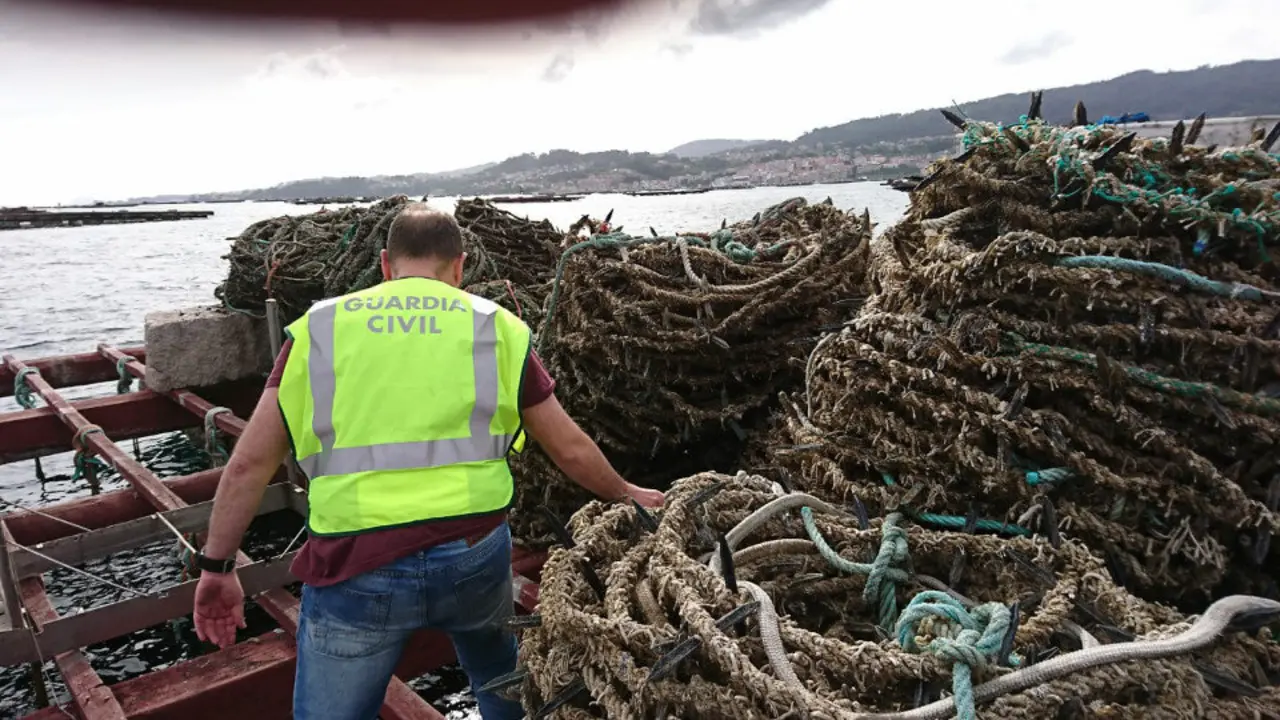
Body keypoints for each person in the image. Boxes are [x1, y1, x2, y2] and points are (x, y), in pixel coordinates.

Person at [190, 203, 664, 720]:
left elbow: (248, 466)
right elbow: (568, 447)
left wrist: (217, 567)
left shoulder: (318, 330)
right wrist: (629, 494)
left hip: (356, 563)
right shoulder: (496, 328)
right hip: (474, 556)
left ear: (385, 264)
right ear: (460, 266)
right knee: (499, 677)